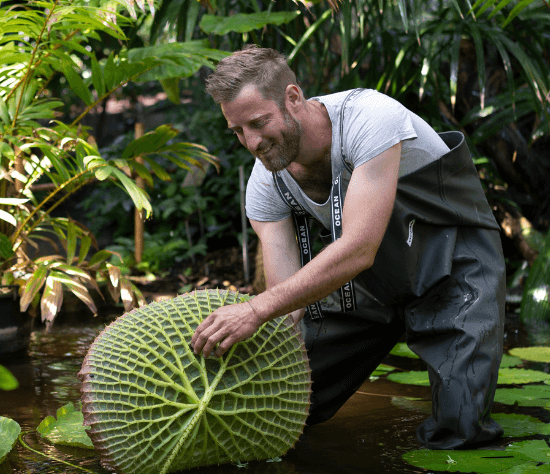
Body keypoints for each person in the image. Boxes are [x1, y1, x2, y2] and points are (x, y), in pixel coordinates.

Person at [189, 45, 506, 450]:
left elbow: (358, 247)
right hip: (368, 284)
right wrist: (242, 378)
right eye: (237, 131)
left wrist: (253, 309)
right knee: (285, 405)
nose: (251, 142)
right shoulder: (264, 184)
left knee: (460, 429)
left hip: (454, 262)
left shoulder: (369, 119)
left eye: (258, 122)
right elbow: (285, 306)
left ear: (293, 97)